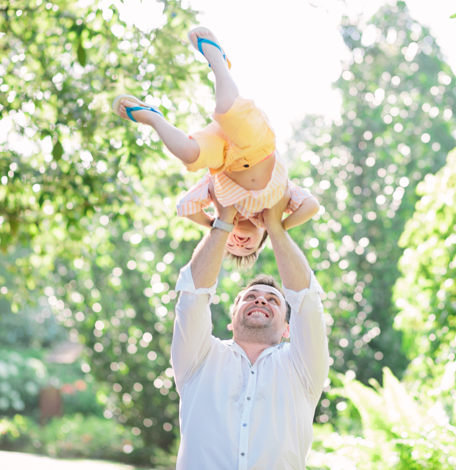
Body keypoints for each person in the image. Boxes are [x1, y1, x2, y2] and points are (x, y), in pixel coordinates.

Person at [112, 27, 320, 268]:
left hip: (222, 159)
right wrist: (277, 226)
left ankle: (154, 119)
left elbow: (186, 207)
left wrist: (215, 223)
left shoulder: (221, 204)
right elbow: (311, 206)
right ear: (262, 238)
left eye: (231, 245)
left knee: (189, 155)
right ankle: (218, 61)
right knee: (226, 110)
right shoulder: (279, 204)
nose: (239, 243)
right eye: (248, 247)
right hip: (257, 145)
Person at [170, 190, 329, 470]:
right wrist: (224, 220)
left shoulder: (302, 368)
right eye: (251, 296)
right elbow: (193, 295)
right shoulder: (200, 358)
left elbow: (306, 300)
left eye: (273, 300)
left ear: (287, 329)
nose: (260, 300)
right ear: (231, 320)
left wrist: (274, 226)